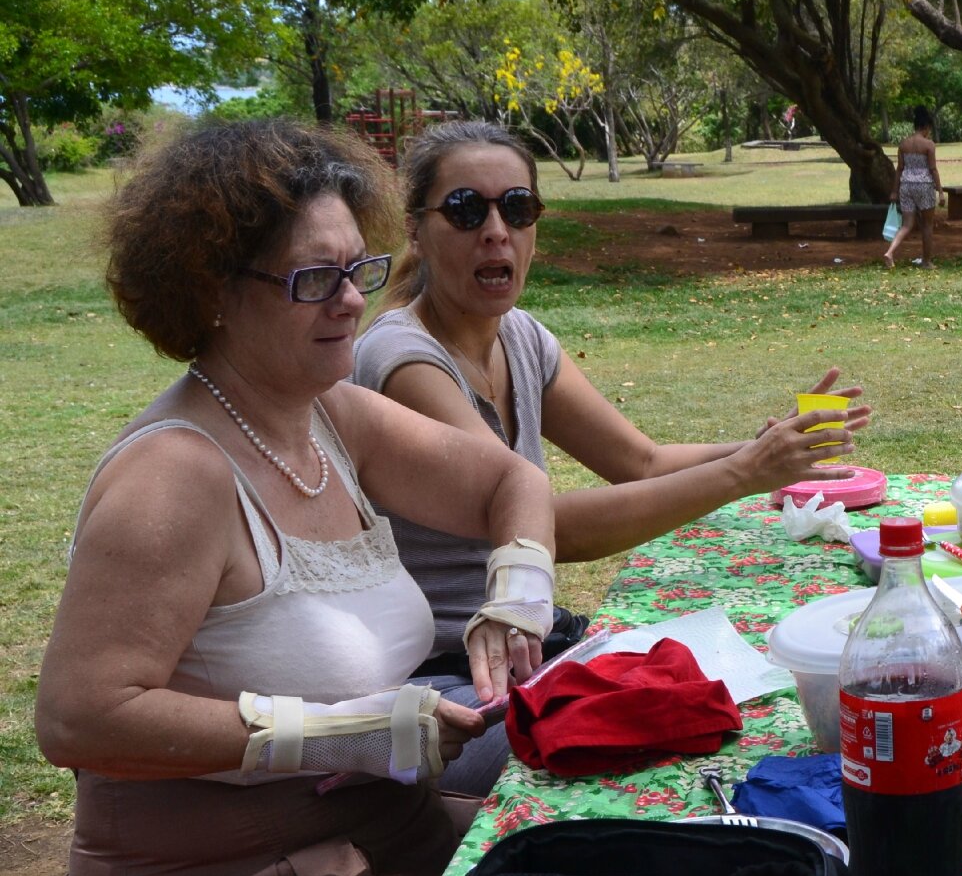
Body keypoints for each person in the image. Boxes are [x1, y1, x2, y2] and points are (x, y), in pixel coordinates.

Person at [34, 119, 557, 876]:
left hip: (369, 840)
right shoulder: (175, 476)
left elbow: (513, 484)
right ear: (210, 292)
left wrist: (517, 592)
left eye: (357, 270)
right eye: (314, 279)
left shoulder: (326, 415)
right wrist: (335, 732)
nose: (352, 300)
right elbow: (80, 717)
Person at [355, 120, 869, 791]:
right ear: (416, 229)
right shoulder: (403, 361)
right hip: (450, 682)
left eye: (516, 207)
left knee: (756, 697)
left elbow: (642, 461)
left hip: (534, 651)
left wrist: (768, 450)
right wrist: (745, 472)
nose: (495, 229)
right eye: (464, 209)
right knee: (692, 749)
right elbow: (546, 532)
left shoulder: (522, 339)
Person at [883, 106, 943, 269]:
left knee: (907, 225)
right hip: (924, 186)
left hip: (906, 186)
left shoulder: (904, 145)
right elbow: (933, 169)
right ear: (926, 127)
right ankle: (926, 261)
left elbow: (899, 169)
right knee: (927, 224)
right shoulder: (929, 145)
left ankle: (890, 252)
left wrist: (895, 191)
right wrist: (941, 191)